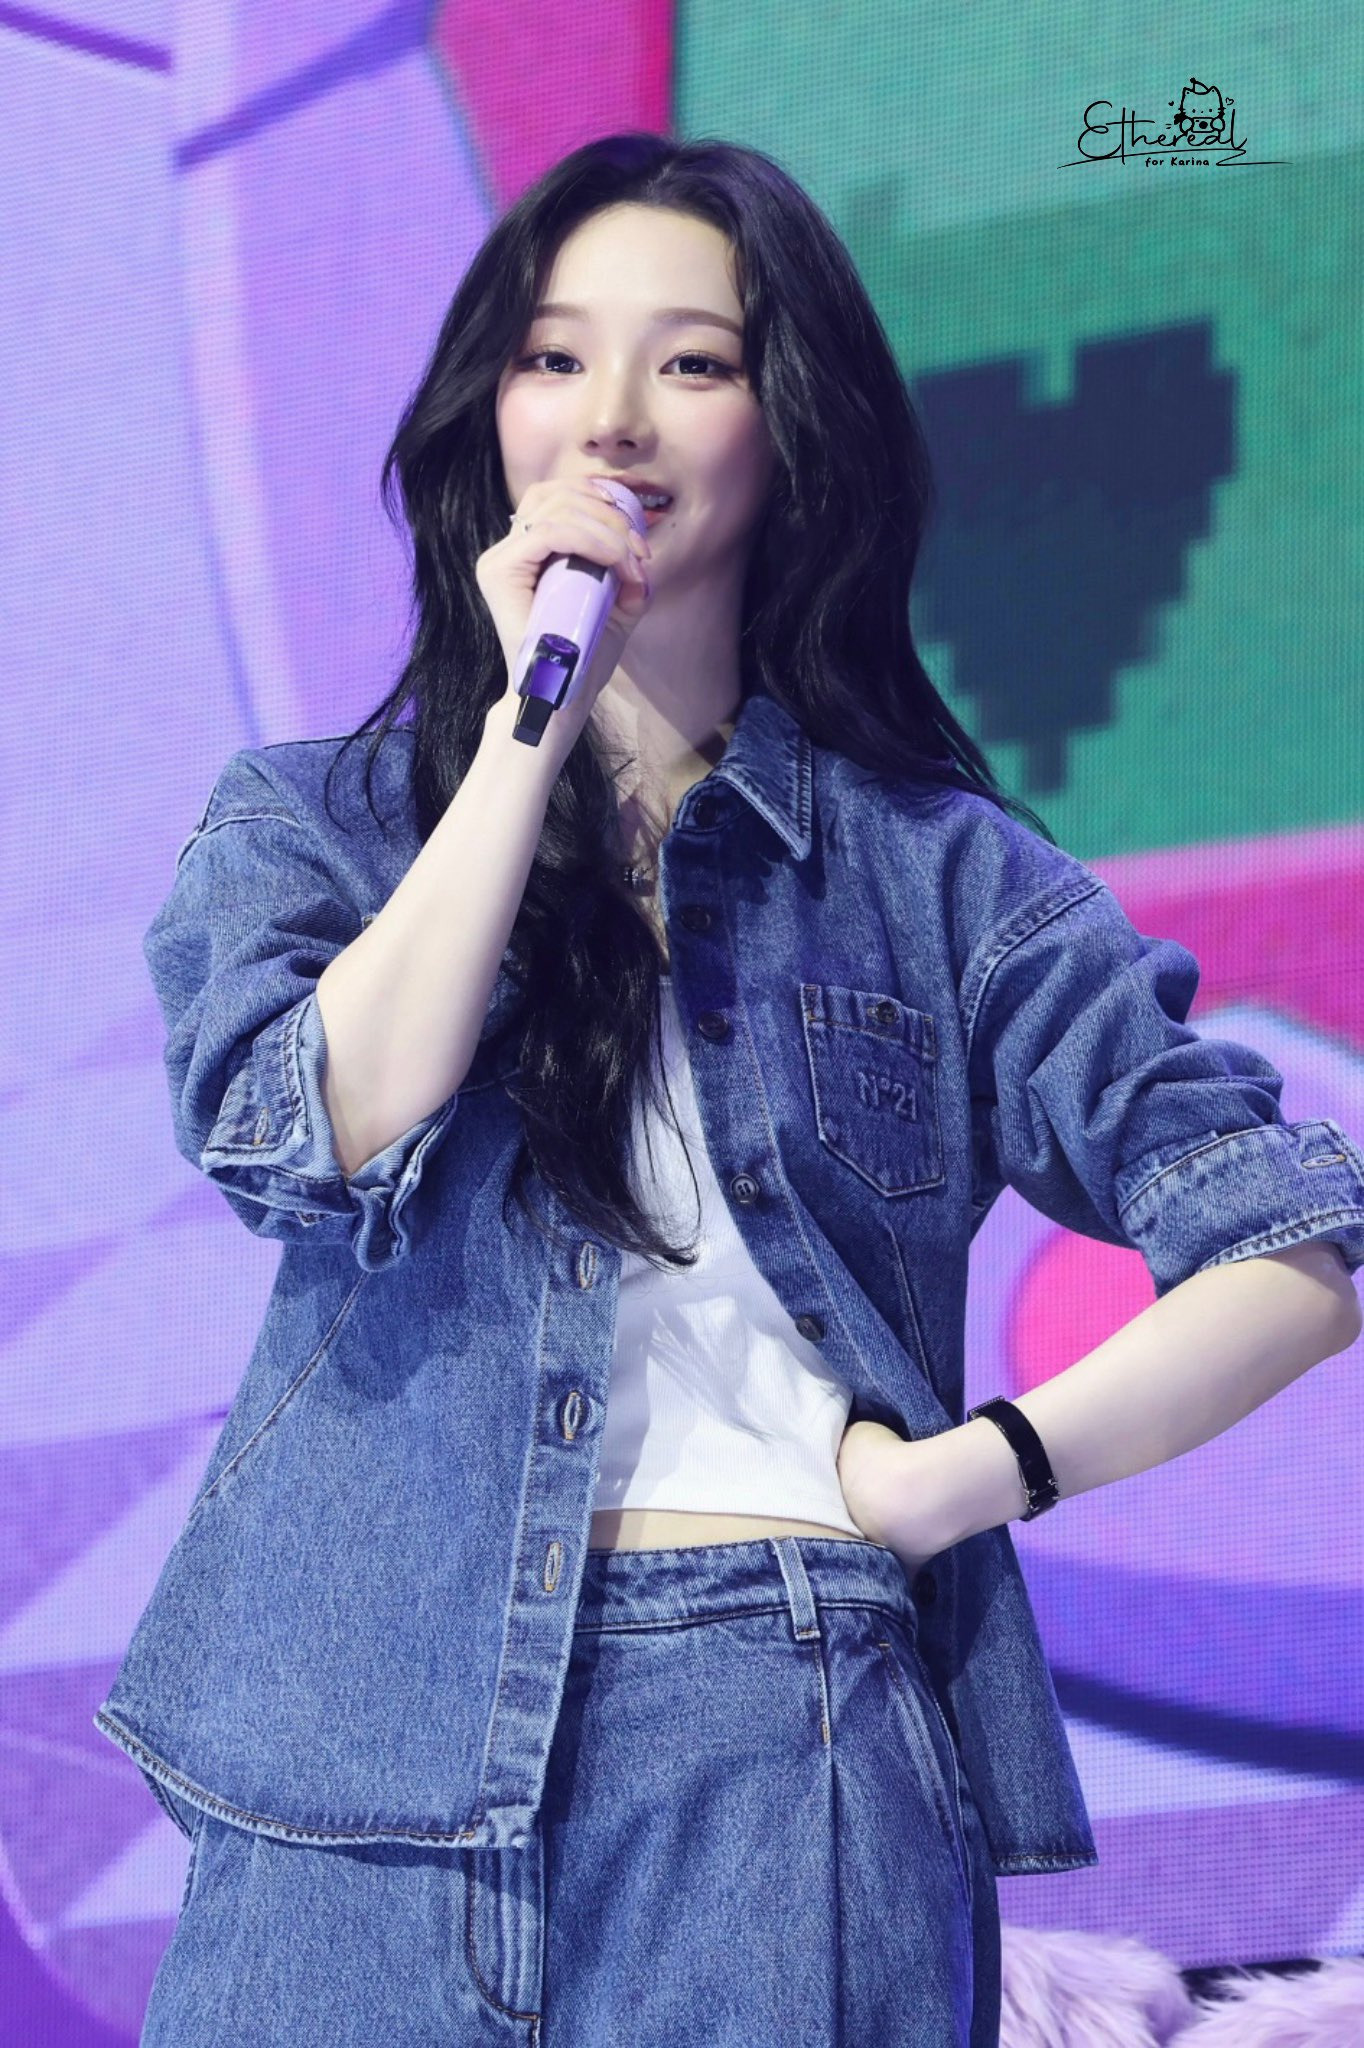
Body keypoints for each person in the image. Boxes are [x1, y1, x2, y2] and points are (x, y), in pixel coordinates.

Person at [97, 132, 1364, 2047]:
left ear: (790, 432)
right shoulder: (312, 826)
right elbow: (314, 1131)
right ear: (490, 412)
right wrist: (527, 725)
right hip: (351, 1753)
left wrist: (966, 1479)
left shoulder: (939, 879)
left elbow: (1294, 1247)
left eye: (691, 360)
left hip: (780, 1738)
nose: (611, 413)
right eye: (552, 356)